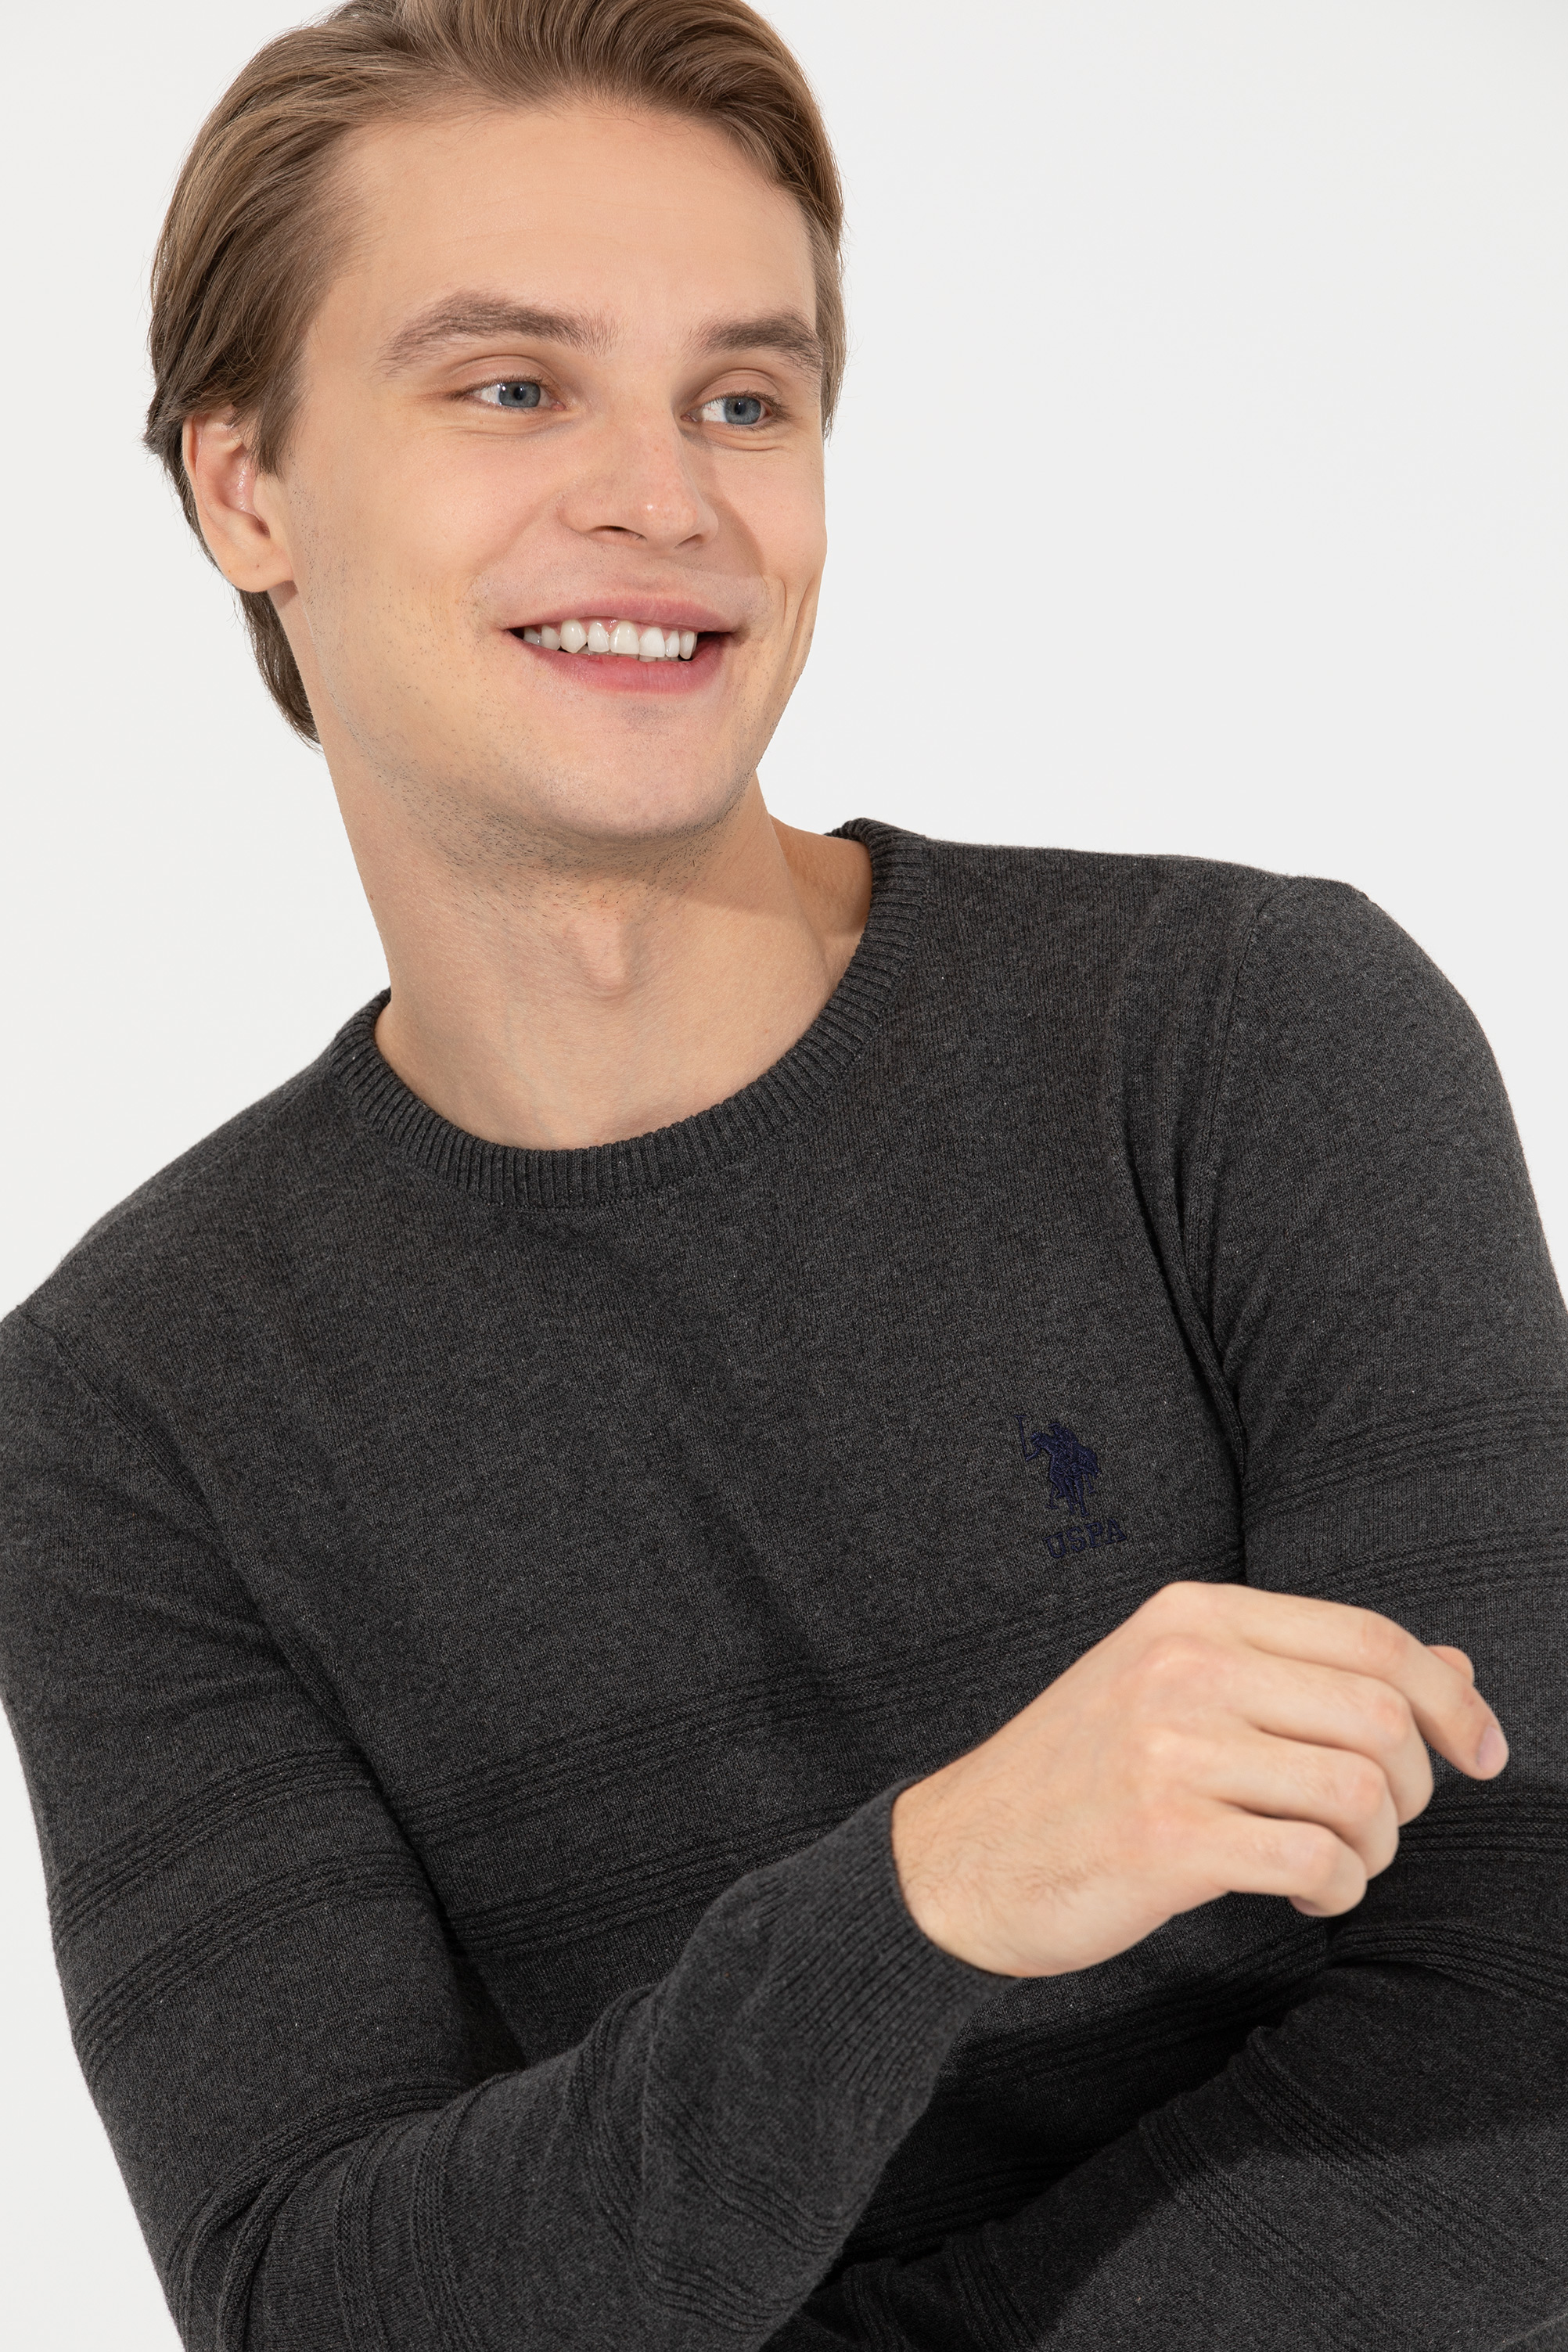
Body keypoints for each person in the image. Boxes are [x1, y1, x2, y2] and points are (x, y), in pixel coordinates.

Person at [1, 0, 1563, 2344]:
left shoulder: (1244, 1041)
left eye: (744, 399)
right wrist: (916, 1899)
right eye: (510, 387)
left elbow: (1529, 2061)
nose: (666, 498)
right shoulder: (125, 1416)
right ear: (247, 491)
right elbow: (320, 2299)